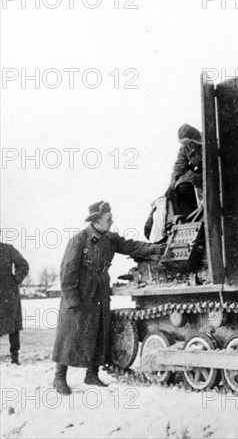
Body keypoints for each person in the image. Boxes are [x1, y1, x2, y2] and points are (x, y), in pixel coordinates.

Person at [52, 201, 165, 395]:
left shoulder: (110, 239)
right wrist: (72, 300)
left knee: (99, 331)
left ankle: (92, 374)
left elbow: (132, 247)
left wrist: (156, 248)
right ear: (96, 220)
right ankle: (59, 378)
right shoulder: (79, 240)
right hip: (82, 292)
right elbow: (67, 272)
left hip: (100, 290)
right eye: (108, 219)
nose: (112, 222)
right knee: (71, 334)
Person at [165, 124, 204, 217]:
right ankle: (192, 217)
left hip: (213, 175)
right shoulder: (185, 148)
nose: (189, 146)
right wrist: (172, 185)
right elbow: (179, 167)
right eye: (186, 144)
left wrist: (202, 176)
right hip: (198, 176)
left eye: (190, 143)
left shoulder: (209, 142)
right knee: (181, 187)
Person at [0, 241, 29, 365]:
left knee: (13, 326)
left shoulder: (8, 249)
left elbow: (22, 265)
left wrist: (15, 279)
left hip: (8, 292)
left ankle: (14, 357)